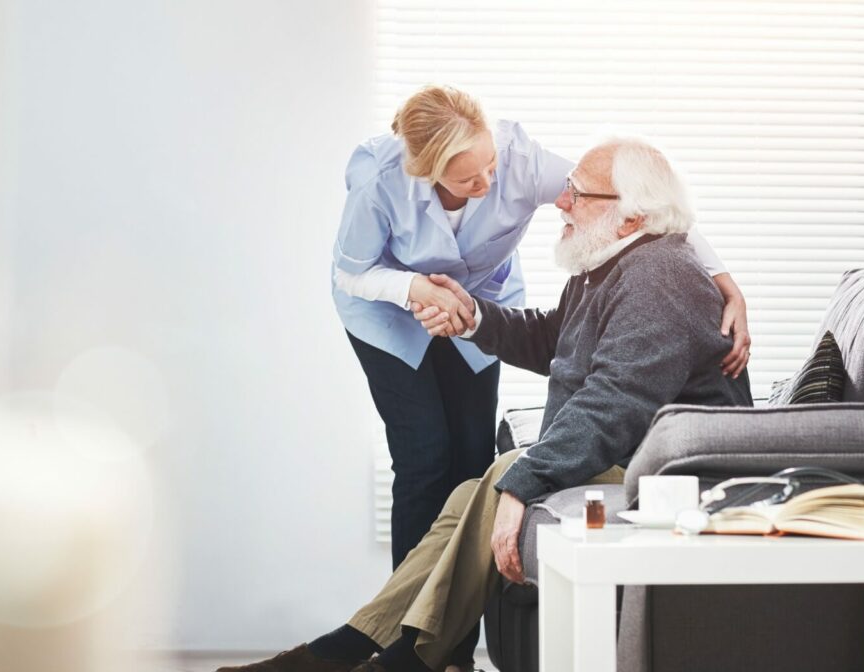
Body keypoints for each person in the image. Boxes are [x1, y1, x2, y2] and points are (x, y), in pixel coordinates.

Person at [221, 137, 752, 672]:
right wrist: (473, 315)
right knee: (468, 496)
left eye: (577, 194)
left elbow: (613, 404)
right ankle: (365, 650)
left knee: (503, 471)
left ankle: (373, 656)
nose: (561, 203)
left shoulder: (659, 277)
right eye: (566, 189)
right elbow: (555, 340)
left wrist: (526, 481)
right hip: (631, 455)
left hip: (666, 476)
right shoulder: (613, 263)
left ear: (631, 216)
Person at [331, 85, 752, 572]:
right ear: (428, 174)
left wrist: (723, 279)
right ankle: (400, 634)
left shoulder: (527, 168)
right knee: (423, 456)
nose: (489, 182)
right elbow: (352, 272)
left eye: (491, 166)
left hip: (477, 297)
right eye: (470, 179)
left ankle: (424, 644)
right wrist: (414, 290)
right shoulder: (379, 182)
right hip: (387, 307)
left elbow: (642, 199)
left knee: (471, 459)